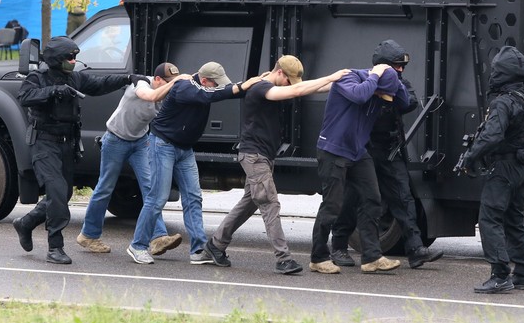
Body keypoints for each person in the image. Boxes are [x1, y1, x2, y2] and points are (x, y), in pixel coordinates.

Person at [204, 56, 349, 275]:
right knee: (270, 204)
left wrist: (339, 82)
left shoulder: (270, 83)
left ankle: (215, 245)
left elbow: (306, 88)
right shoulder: (262, 87)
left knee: (250, 203)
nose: (291, 84)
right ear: (279, 72)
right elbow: (297, 91)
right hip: (254, 156)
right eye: (289, 80)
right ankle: (283, 259)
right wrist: (330, 76)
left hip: (262, 155)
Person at [13, 36, 138, 265]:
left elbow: (99, 84)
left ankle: (26, 223)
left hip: (66, 144)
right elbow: (25, 97)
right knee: (58, 192)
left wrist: (128, 79)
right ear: (57, 58)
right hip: (44, 143)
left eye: (75, 57)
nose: (73, 60)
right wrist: (53, 91)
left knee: (63, 194)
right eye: (70, 57)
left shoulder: (75, 78)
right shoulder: (38, 78)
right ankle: (55, 247)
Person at [126, 61, 261, 265]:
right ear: (204, 79)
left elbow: (226, 91)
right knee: (157, 198)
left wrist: (259, 82)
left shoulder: (205, 87)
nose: (217, 87)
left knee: (193, 198)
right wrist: (240, 87)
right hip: (163, 145)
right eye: (214, 83)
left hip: (184, 148)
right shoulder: (184, 87)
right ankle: (137, 246)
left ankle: (198, 250)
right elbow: (210, 95)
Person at [330, 40, 444, 269]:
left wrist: (393, 85)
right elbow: (358, 98)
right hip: (363, 150)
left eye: (402, 66)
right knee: (353, 199)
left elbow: (409, 102)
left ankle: (415, 249)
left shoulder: (399, 82)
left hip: (390, 150)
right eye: (395, 66)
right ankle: (339, 246)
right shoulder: (363, 80)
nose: (400, 70)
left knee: (403, 198)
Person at [77, 62, 191, 256]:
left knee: (150, 187)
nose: (171, 86)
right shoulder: (141, 84)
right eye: (168, 81)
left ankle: (158, 238)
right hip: (115, 139)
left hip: (140, 142)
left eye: (173, 82)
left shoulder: (166, 94)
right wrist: (177, 81)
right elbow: (150, 96)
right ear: (156, 79)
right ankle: (88, 235)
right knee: (105, 188)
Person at [456, 46, 524, 294]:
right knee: (515, 219)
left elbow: (492, 135)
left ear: (501, 73)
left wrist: (469, 158)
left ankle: (500, 274)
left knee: (490, 218)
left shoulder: (503, 102)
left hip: (503, 167)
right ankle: (523, 274)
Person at [310, 62, 409, 274]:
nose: (382, 98)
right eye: (381, 93)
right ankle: (318, 258)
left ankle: (372, 257)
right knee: (332, 205)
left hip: (357, 151)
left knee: (373, 198)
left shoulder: (381, 86)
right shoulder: (348, 77)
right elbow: (360, 96)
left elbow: (404, 102)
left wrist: (397, 82)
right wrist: (375, 77)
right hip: (333, 149)